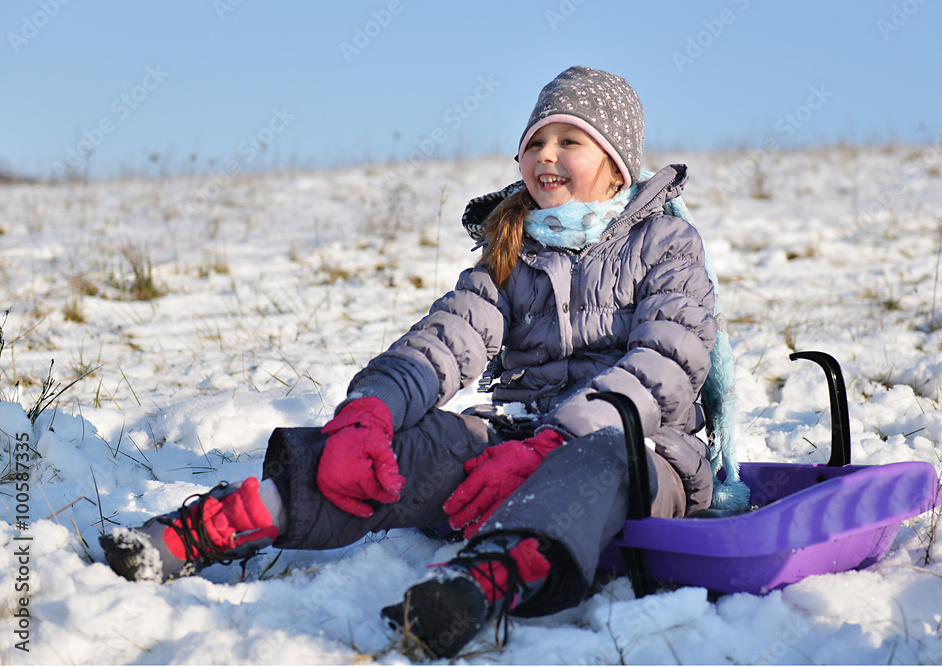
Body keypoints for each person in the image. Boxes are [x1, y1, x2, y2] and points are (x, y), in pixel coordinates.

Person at [101, 65, 727, 659]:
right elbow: (446, 339)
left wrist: (557, 442)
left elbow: (667, 363)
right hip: (517, 442)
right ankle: (233, 520)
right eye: (535, 142)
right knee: (415, 444)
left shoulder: (665, 243)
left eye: (570, 141)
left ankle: (479, 582)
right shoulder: (512, 250)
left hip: (640, 453)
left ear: (617, 166)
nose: (546, 155)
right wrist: (370, 409)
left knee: (600, 458)